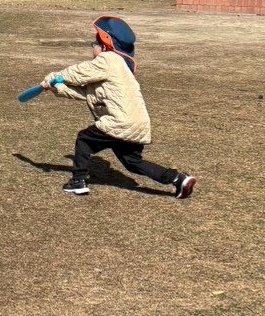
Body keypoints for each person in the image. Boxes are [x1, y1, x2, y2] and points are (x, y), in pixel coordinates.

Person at [41, 16, 196, 198]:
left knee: (84, 139)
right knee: (132, 162)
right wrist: (56, 88)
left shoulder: (108, 59)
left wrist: (52, 78)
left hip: (119, 121)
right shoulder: (115, 69)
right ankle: (178, 179)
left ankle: (78, 181)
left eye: (95, 44)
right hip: (136, 123)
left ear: (105, 45)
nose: (93, 47)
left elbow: (78, 73)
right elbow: (85, 93)